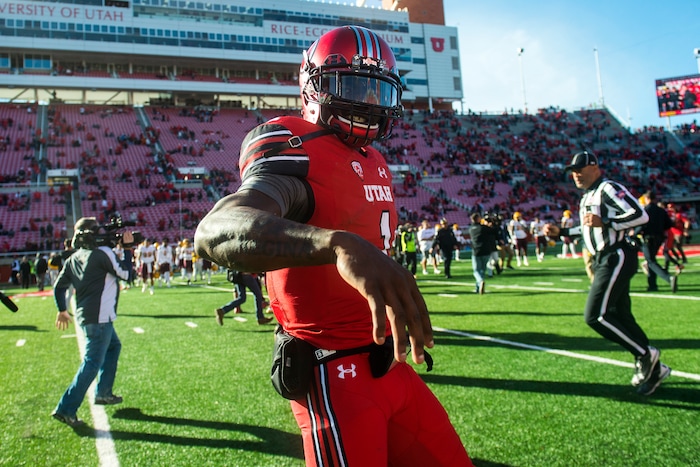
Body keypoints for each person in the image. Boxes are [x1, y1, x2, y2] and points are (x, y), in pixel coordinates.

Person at [194, 26, 472, 466]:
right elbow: (215, 230)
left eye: (378, 91)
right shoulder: (297, 147)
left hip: (390, 364)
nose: (367, 103)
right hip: (332, 373)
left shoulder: (374, 160)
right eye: (352, 86)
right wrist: (335, 244)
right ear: (313, 85)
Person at [544, 151, 670, 396]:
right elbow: (587, 229)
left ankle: (646, 354)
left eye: (579, 169)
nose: (575, 175)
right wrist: (560, 232)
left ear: (595, 167)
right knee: (620, 315)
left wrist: (609, 224)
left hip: (616, 255)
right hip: (603, 258)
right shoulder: (586, 197)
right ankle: (655, 370)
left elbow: (639, 215)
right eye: (572, 171)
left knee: (595, 316)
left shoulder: (608, 188)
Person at [51, 217, 132, 427]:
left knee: (114, 346)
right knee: (92, 362)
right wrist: (129, 249)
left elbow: (59, 287)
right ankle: (65, 408)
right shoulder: (102, 253)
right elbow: (126, 274)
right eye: (97, 229)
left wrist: (61, 309)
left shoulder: (75, 257)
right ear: (89, 233)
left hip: (87, 316)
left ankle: (103, 392)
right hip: (100, 318)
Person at [637, 192, 677, 293]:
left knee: (650, 261)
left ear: (647, 198)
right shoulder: (661, 210)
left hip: (648, 238)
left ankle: (669, 278)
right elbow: (669, 224)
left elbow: (641, 224)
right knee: (651, 260)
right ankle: (652, 285)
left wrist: (635, 232)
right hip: (659, 238)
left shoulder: (645, 210)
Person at [470, 212, 499, 294]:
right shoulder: (483, 228)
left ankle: (480, 282)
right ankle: (478, 286)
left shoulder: (471, 229)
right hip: (486, 250)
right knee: (482, 270)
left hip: (476, 251)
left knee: (476, 270)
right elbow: (494, 231)